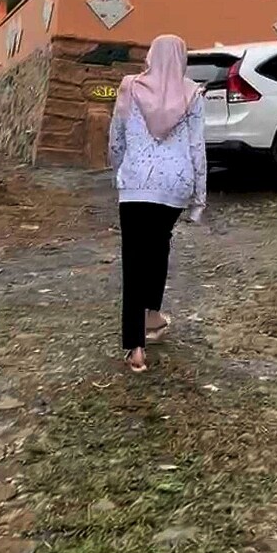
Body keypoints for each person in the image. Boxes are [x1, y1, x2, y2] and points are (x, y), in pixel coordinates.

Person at [108, 34, 207, 373]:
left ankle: (135, 348)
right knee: (159, 244)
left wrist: (119, 170)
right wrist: (199, 198)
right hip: (174, 188)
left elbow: (117, 138)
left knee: (134, 259)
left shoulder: (129, 87)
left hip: (136, 184)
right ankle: (151, 315)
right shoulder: (192, 94)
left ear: (151, 56)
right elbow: (197, 148)